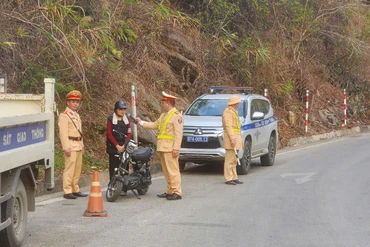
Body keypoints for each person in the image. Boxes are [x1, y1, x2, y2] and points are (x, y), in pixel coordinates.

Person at [134, 91, 184, 200]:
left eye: (163, 102)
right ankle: (170, 190)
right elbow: (154, 125)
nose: (162, 104)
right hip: (163, 147)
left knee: (173, 171)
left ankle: (177, 192)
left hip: (171, 148)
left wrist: (176, 148)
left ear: (168, 103)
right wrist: (140, 122)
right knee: (166, 171)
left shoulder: (177, 116)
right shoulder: (164, 115)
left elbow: (178, 134)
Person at [58, 90, 88, 199]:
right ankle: (67, 190)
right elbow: (63, 134)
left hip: (78, 144)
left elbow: (79, 131)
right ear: (67, 103)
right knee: (69, 168)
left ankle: (75, 189)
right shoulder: (64, 115)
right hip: (70, 144)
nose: (75, 103)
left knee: (77, 169)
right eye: (73, 101)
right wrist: (66, 147)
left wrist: (82, 144)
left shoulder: (76, 115)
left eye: (77, 101)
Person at [106, 100, 132, 180]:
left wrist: (124, 145)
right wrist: (117, 146)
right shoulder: (110, 119)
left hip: (124, 147)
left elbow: (129, 133)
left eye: (124, 109)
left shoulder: (126, 120)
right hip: (114, 147)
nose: (122, 111)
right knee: (114, 169)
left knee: (125, 168)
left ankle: (124, 189)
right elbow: (109, 134)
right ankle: (113, 187)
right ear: (116, 110)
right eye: (120, 109)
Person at [222, 95, 244, 185]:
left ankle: (234, 177)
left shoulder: (234, 111)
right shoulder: (228, 112)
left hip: (236, 137)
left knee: (234, 159)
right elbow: (229, 126)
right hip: (232, 138)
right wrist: (232, 139)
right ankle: (228, 178)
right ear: (234, 103)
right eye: (238, 102)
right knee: (229, 160)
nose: (239, 103)